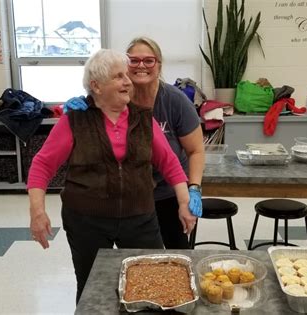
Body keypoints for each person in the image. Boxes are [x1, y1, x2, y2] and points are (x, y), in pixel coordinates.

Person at [27, 49, 197, 304]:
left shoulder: (143, 118)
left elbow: (169, 162)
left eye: (126, 75)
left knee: (153, 281)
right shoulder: (76, 119)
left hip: (139, 216)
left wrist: (184, 200)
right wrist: (37, 212)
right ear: (96, 85)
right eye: (119, 76)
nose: (128, 81)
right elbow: (42, 165)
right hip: (86, 220)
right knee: (91, 288)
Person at [65, 37, 205, 249]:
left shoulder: (175, 101)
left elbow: (195, 150)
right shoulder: (113, 96)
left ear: (159, 65)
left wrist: (193, 189)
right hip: (129, 197)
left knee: (177, 251)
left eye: (149, 60)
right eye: (134, 60)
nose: (141, 66)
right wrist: (83, 105)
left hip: (168, 192)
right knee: (134, 260)